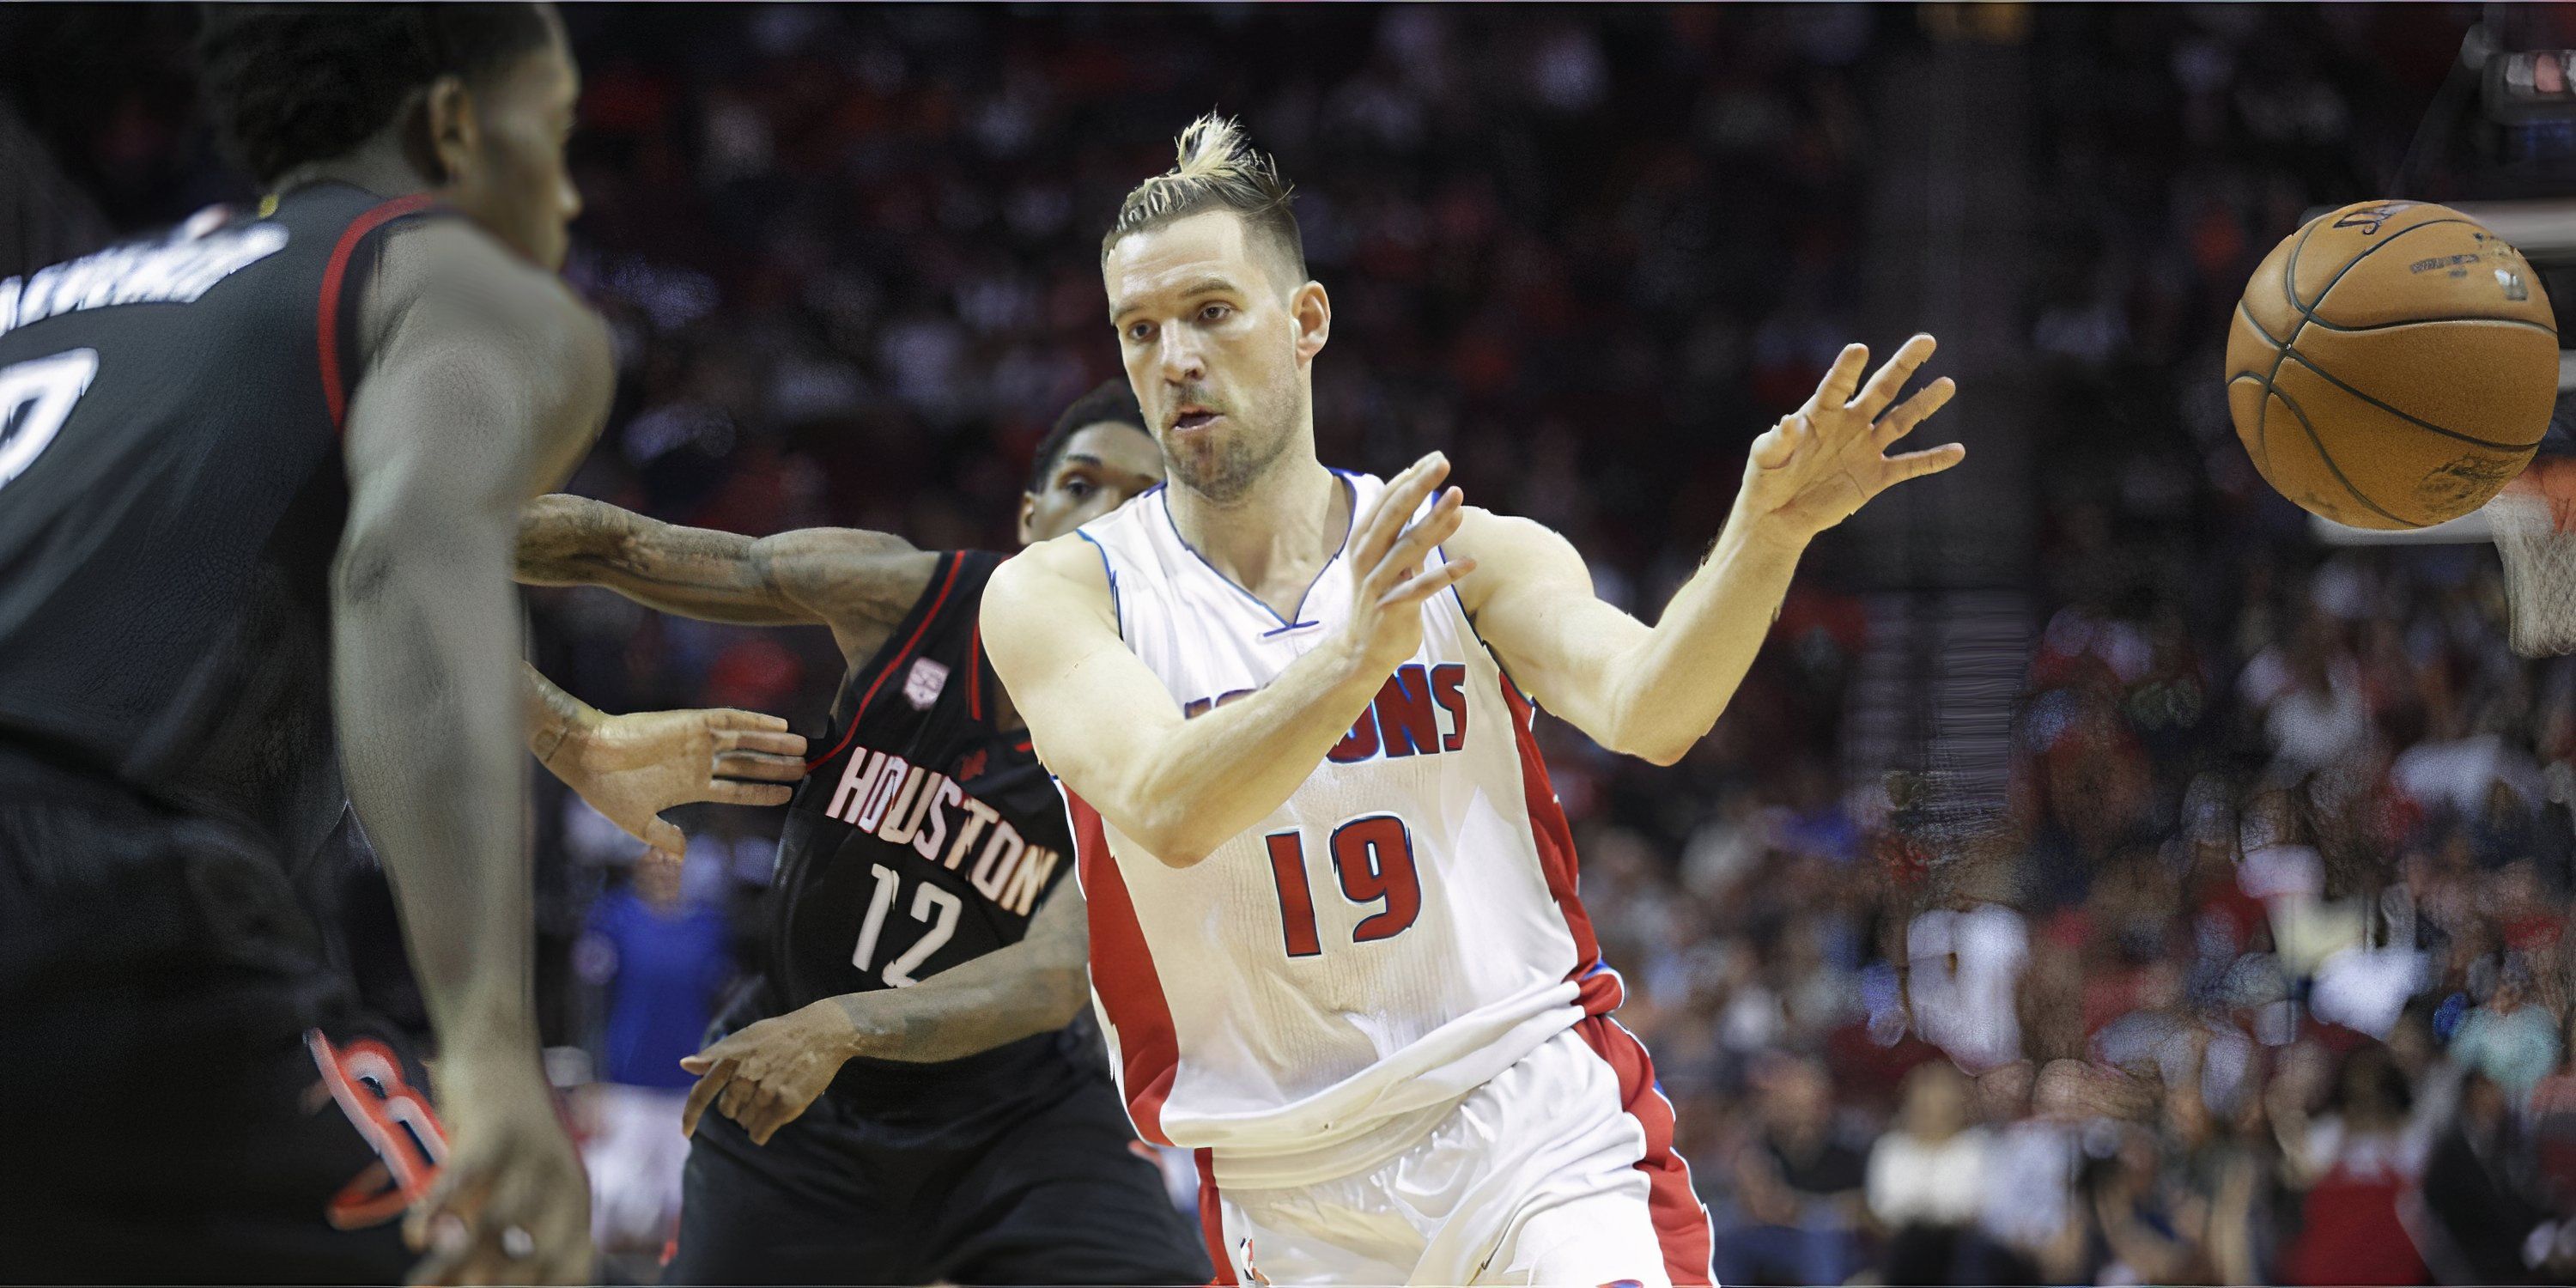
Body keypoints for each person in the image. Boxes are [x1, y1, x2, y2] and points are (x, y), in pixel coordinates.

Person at [981, 114, 1964, 1287]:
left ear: (1307, 324)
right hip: (1290, 1194)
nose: (1173, 358)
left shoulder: (1469, 551)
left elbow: (1653, 707)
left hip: (1532, 1129)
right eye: (1138, 330)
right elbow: (1165, 805)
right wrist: (1350, 660)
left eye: (1209, 312)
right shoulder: (1058, 597)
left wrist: (1769, 532)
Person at [0, 6, 814, 1282]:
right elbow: (399, 563)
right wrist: (493, 1051)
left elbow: (285, 563)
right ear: (451, 124)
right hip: (87, 903)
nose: (570, 193)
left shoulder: (57, 305)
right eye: (552, 132)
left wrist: (572, 731)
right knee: (518, 1256)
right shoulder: (449, 273)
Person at [513, 379, 1212, 1285]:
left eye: (1144, 499)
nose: (1109, 513)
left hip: (1016, 1123)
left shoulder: (1169, 728)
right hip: (799, 1098)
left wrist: (844, 1026)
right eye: (1084, 485)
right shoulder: (910, 597)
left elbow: (1051, 977)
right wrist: (429, 516)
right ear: (1033, 516)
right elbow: (624, 548)